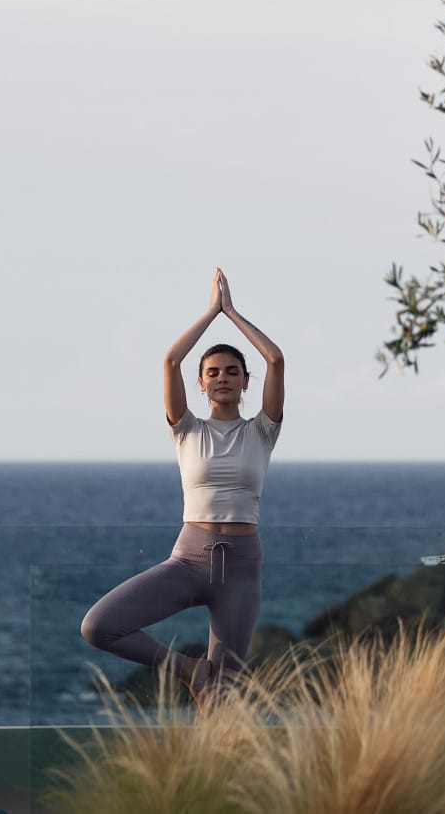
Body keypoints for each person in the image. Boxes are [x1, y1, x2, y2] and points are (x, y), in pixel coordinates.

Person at [79, 267, 285, 694]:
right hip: (190, 559)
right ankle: (188, 670)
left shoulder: (262, 431)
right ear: (201, 383)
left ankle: (211, 724)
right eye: (214, 372)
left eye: (232, 371)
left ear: (246, 382)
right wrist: (212, 312)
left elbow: (276, 360)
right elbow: (171, 360)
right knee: (99, 625)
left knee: (224, 694)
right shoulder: (186, 429)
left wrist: (233, 313)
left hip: (242, 568)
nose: (223, 377)